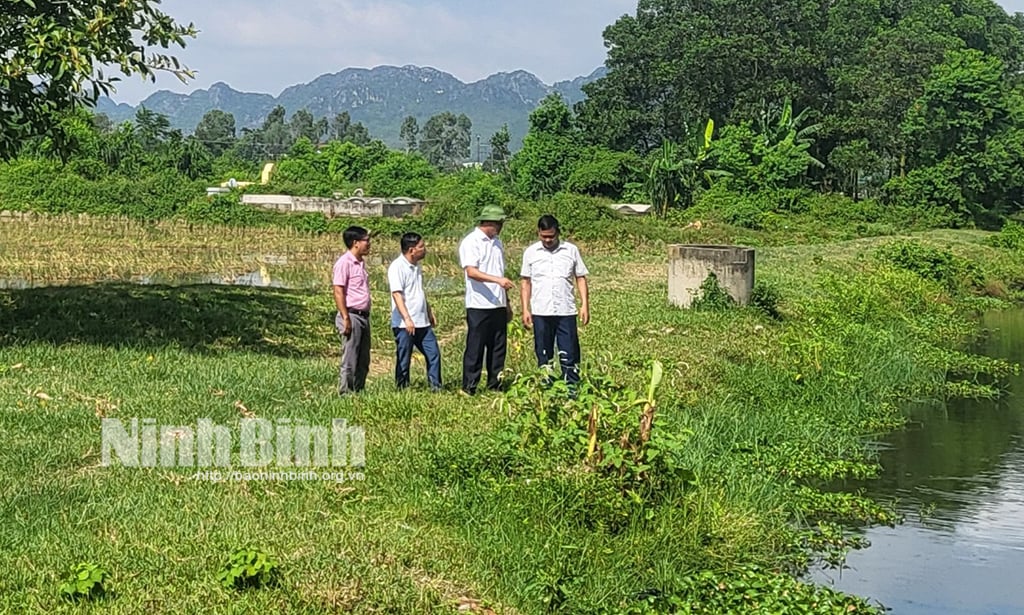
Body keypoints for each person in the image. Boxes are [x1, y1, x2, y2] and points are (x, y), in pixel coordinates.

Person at [520, 215, 590, 386]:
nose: (548, 240)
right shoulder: (531, 252)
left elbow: (580, 277)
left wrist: (585, 305)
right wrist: (525, 309)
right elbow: (525, 282)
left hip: (566, 310)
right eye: (544, 236)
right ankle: (547, 385)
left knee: (570, 350)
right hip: (540, 311)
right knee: (543, 351)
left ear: (558, 232)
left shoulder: (571, 250)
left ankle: (571, 385)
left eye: (551, 236)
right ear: (538, 233)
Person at [459, 204, 514, 395]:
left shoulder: (497, 242)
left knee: (498, 346)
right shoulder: (471, 242)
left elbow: (500, 272)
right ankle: (469, 386)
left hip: (497, 303)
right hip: (479, 304)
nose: (501, 227)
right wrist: (498, 281)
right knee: (476, 346)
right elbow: (471, 271)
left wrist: (506, 302)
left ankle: (495, 383)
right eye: (500, 223)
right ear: (490, 223)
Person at [388, 232, 442, 391]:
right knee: (404, 358)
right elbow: (397, 294)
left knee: (434, 354)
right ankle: (402, 388)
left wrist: (429, 311)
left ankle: (436, 387)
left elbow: (418, 291)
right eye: (421, 247)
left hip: (422, 322)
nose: (424, 249)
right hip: (405, 324)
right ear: (412, 250)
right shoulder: (397, 267)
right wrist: (407, 319)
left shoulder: (416, 266)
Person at [332, 225, 372, 395]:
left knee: (363, 358)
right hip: (352, 314)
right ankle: (346, 393)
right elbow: (338, 290)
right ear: (356, 243)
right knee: (350, 357)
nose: (369, 244)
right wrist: (345, 317)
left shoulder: (360, 263)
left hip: (363, 316)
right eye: (366, 241)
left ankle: (359, 390)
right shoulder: (344, 263)